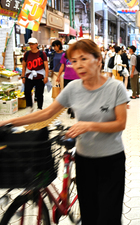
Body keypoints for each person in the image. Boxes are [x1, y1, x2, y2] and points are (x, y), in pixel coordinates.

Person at [1, 39, 129, 225]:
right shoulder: (73, 88)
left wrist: (88, 125)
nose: (78, 65)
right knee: (90, 216)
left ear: (98, 59)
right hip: (85, 160)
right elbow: (46, 113)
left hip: (111, 160)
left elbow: (120, 124)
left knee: (108, 217)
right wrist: (9, 121)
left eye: (83, 59)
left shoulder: (115, 88)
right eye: (74, 61)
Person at [21, 37, 49, 113]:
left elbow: (46, 66)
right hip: (29, 76)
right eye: (30, 44)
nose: (31, 46)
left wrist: (46, 76)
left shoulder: (42, 54)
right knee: (27, 92)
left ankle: (39, 108)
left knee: (39, 93)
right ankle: (29, 107)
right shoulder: (26, 54)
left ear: (37, 44)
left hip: (39, 76)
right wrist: (23, 76)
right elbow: (24, 66)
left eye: (33, 44)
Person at [56, 39, 80, 119]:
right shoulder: (65, 55)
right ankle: (70, 107)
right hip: (67, 77)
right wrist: (58, 76)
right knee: (68, 94)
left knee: (76, 94)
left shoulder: (79, 54)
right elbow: (62, 66)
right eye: (70, 46)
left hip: (77, 78)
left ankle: (73, 111)